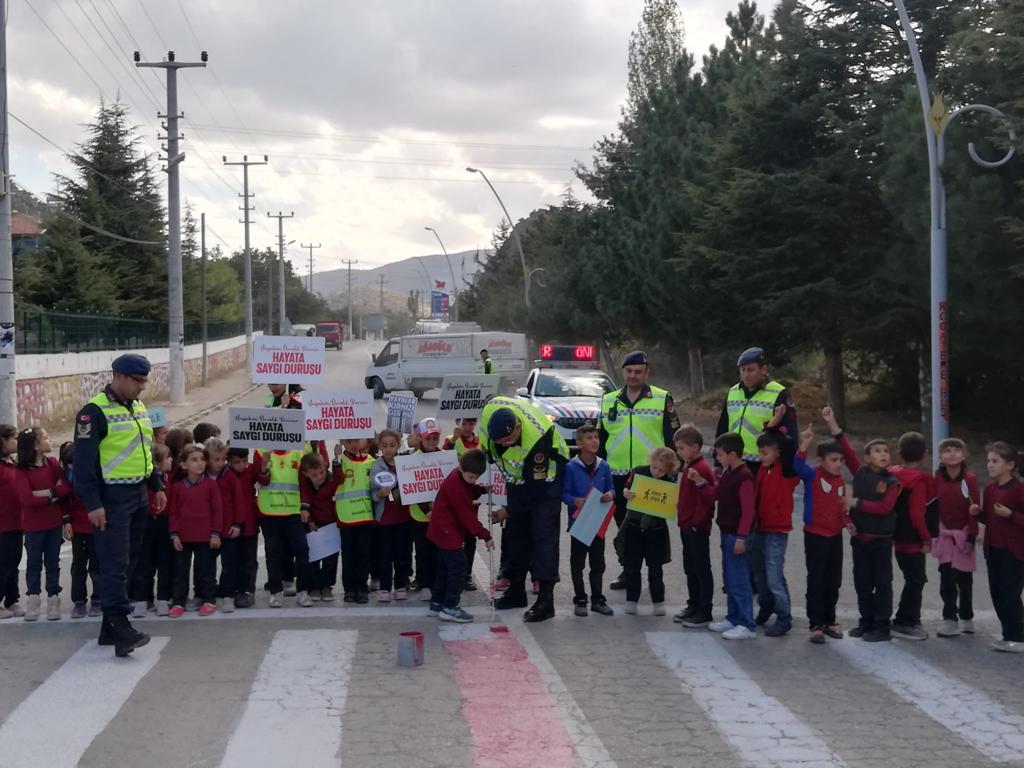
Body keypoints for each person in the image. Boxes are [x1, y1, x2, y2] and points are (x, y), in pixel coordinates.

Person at [481, 396, 570, 622]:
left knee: (543, 538)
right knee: (515, 534)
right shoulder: (488, 417)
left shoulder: (537, 442)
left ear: (518, 427)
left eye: (508, 439)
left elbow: (533, 491)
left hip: (545, 481)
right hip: (519, 480)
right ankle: (516, 591)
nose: (503, 443)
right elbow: (488, 449)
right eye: (499, 440)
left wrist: (507, 510)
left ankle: (546, 601)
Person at [598, 350, 680, 590]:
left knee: (652, 528)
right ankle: (628, 570)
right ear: (623, 372)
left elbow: (672, 437)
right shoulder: (608, 399)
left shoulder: (662, 398)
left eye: (638, 372)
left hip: (651, 474)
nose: (633, 376)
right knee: (625, 526)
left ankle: (655, 573)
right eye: (629, 371)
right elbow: (601, 439)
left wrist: (672, 473)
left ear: (647, 372)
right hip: (618, 474)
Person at [822, 408, 901, 643]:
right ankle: (866, 622)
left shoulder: (892, 481)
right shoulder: (860, 472)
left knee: (882, 584)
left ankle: (882, 626)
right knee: (862, 582)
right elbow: (847, 448)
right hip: (861, 538)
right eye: (877, 451)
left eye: (886, 451)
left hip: (881, 539)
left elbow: (885, 507)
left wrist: (855, 502)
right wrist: (832, 422)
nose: (883, 454)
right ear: (867, 458)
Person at [793, 418, 849, 644]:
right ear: (820, 460)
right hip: (815, 535)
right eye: (834, 460)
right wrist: (804, 445)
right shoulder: (812, 475)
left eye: (841, 460)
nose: (838, 464)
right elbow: (797, 467)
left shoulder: (840, 480)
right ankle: (815, 623)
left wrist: (847, 520)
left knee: (833, 579)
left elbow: (841, 503)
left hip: (835, 535)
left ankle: (830, 620)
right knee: (816, 579)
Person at [426, 448, 494, 622]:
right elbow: (467, 516)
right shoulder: (456, 486)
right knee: (458, 570)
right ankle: (450, 606)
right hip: (448, 532)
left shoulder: (457, 477)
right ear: (462, 468)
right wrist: (485, 535)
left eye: (476, 477)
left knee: (443, 569)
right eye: (471, 477)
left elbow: (468, 488)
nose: (473, 480)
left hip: (441, 530)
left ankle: (437, 602)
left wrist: (480, 490)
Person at [702, 433, 757, 640]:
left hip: (737, 534)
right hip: (727, 532)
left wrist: (742, 537)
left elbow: (748, 510)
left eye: (721, 454)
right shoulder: (728, 473)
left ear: (733, 454)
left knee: (740, 580)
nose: (718, 458)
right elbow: (715, 494)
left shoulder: (744, 476)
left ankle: (746, 623)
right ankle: (733, 617)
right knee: (730, 578)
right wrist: (701, 484)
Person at [973, 442, 1024, 653]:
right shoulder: (991, 488)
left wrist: (1011, 515)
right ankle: (1008, 634)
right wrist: (978, 513)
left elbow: (1015, 518)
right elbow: (991, 517)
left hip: (1014, 550)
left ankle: (1018, 637)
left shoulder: (1019, 490)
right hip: (993, 548)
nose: (989, 465)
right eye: (988, 461)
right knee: (996, 593)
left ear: (1010, 465)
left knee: (1009, 593)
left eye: (995, 461)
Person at [17, 426, 71, 621]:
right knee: (33, 563)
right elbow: (27, 500)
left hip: (53, 522)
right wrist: (52, 494)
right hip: (33, 525)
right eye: (46, 438)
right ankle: (33, 599)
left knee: (53, 562)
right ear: (35, 445)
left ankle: (53, 598)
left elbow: (65, 488)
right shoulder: (22, 470)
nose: (50, 441)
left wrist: (46, 494)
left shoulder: (53, 464)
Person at [750, 422, 799, 637]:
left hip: (776, 530)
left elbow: (790, 446)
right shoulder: (763, 469)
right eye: (759, 452)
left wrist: (776, 425)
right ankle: (766, 605)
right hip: (760, 527)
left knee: (774, 575)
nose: (761, 456)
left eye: (765, 452)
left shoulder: (787, 471)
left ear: (778, 452)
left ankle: (784, 616)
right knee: (759, 573)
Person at [715, 347, 798, 475]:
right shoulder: (733, 392)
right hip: (734, 462)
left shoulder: (779, 393)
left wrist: (788, 468)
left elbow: (790, 434)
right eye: (743, 370)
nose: (746, 375)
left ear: (763, 369)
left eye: (751, 370)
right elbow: (723, 428)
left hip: (763, 464)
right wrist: (717, 461)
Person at [561, 422, 615, 617]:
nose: (594, 441)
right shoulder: (571, 467)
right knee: (578, 563)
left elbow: (612, 489)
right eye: (589, 438)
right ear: (579, 443)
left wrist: (610, 494)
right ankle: (580, 598)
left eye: (596, 438)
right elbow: (564, 493)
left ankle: (598, 599)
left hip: (597, 521)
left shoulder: (604, 466)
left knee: (598, 563)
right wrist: (574, 500)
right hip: (579, 522)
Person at [255, 443, 314, 608]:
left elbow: (304, 482)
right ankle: (276, 592)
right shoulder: (261, 450)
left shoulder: (298, 451)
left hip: (293, 511)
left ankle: (303, 591)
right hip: (270, 511)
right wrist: (264, 466)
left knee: (302, 550)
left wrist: (305, 506)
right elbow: (261, 481)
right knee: (273, 552)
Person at [621, 446, 678, 616]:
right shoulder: (639, 472)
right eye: (654, 467)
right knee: (632, 566)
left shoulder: (670, 480)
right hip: (634, 526)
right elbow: (626, 487)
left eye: (661, 470)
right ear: (650, 462)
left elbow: (671, 501)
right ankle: (632, 599)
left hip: (656, 529)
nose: (656, 472)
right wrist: (626, 493)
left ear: (669, 468)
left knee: (655, 567)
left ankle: (658, 601)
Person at [932, 438, 980, 637]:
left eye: (956, 450)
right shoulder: (936, 479)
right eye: (947, 450)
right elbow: (933, 506)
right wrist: (937, 528)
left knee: (964, 580)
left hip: (963, 534)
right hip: (944, 534)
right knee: (947, 578)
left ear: (963, 455)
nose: (952, 453)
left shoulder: (969, 479)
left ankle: (966, 617)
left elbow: (974, 510)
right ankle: (949, 618)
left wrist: (970, 536)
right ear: (940, 456)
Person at [889, 432, 935, 641]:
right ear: (925, 454)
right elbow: (917, 513)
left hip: (893, 534)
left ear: (899, 453)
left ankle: (905, 619)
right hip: (912, 539)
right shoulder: (919, 480)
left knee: (912, 578)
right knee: (916, 580)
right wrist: (926, 537)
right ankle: (906, 621)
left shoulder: (891, 473)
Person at [168, 444, 222, 618]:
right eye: (194, 460)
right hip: (183, 536)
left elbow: (217, 510)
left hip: (205, 536)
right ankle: (178, 602)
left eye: (202, 459)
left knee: (205, 570)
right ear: (184, 465)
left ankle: (208, 599)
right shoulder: (177, 486)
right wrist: (174, 534)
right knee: (180, 570)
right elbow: (173, 511)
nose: (200, 463)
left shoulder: (210, 485)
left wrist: (215, 533)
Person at [675, 425, 716, 628]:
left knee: (700, 568)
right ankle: (693, 604)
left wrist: (695, 523)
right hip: (686, 525)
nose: (679, 452)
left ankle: (704, 609)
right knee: (690, 567)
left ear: (695, 447)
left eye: (682, 448)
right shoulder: (690, 465)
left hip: (696, 527)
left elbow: (706, 501)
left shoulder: (701, 469)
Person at [60, 442, 101, 619]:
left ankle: (98, 599)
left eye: (75, 463)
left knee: (97, 565)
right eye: (69, 464)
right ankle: (79, 601)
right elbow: (63, 502)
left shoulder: (96, 475)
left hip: (96, 525)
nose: (72, 467)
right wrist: (66, 521)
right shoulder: (66, 478)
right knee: (78, 566)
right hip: (77, 526)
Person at [133, 444, 175, 617]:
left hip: (165, 523)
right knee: (143, 564)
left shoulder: (171, 478)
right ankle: (142, 599)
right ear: (157, 463)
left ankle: (164, 599)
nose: (171, 460)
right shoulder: (144, 481)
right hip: (146, 522)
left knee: (165, 563)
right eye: (167, 457)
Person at [206, 438, 247, 613]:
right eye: (216, 459)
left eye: (223, 459)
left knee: (229, 564)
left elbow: (239, 501)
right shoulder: (202, 476)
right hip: (208, 530)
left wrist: (238, 523)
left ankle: (228, 595)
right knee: (206, 565)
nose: (220, 463)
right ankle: (205, 595)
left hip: (228, 529)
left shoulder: (229, 476)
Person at [371, 430, 412, 601]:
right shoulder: (376, 467)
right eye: (385, 446)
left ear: (398, 446)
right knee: (385, 555)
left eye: (392, 445)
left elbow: (412, 485)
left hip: (403, 518)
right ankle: (385, 587)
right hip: (384, 520)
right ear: (379, 446)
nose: (388, 449)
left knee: (401, 554)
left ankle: (401, 585)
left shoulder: (405, 463)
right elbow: (371, 494)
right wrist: (380, 494)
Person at [334, 438, 375, 604]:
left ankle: (362, 588)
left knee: (363, 554)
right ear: (343, 441)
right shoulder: (340, 460)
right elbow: (337, 481)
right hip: (346, 516)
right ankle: (349, 589)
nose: (353, 444)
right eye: (349, 441)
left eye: (356, 440)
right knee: (348, 555)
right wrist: (336, 459)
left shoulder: (371, 461)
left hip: (365, 515)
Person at [300, 452, 340, 603]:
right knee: (314, 557)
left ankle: (326, 586)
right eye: (315, 474)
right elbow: (305, 499)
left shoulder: (331, 480)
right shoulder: (305, 484)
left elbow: (340, 478)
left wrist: (338, 459)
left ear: (326, 466)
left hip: (331, 524)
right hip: (313, 525)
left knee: (331, 558)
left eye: (322, 472)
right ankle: (314, 586)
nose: (319, 476)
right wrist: (309, 521)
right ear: (306, 474)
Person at [408, 418, 442, 595]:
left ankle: (436, 580)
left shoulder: (444, 457)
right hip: (420, 516)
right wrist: (427, 509)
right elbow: (413, 487)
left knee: (437, 548)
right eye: (428, 438)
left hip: (439, 515)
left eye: (435, 438)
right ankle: (422, 580)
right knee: (422, 550)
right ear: (421, 438)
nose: (431, 442)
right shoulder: (412, 459)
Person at [227, 447, 260, 608]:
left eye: (244, 461)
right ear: (229, 461)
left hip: (249, 523)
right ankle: (233, 588)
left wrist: (264, 462)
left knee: (248, 559)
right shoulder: (226, 474)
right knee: (233, 558)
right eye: (237, 462)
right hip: (232, 524)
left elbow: (264, 478)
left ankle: (247, 590)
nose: (242, 465)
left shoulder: (251, 470)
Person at [0, 424, 24, 620]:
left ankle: (12, 600)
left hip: (16, 523)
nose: (17, 441)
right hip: (2, 524)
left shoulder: (13, 463)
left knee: (13, 562)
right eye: (14, 438)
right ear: (3, 441)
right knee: (3, 563)